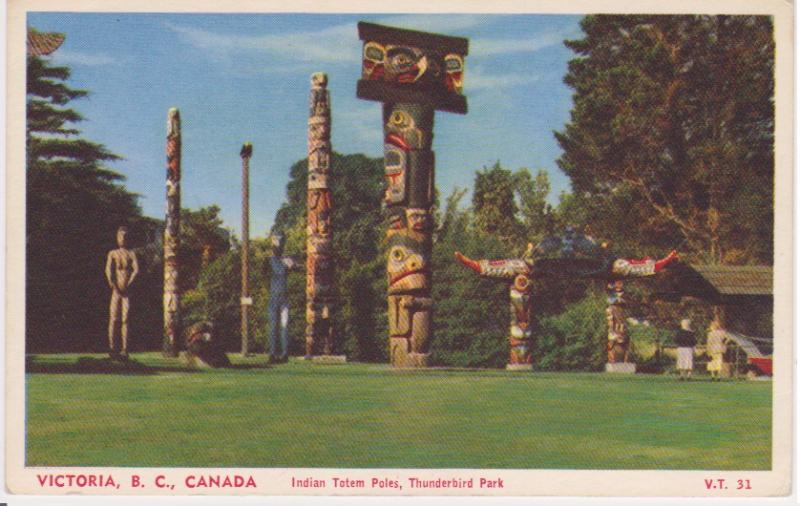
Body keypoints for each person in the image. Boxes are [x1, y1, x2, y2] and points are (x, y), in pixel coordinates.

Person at [105, 226, 138, 360]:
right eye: (120, 236)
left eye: (125, 236)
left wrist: (129, 283)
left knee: (126, 318)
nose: (122, 239)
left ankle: (125, 349)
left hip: (127, 291)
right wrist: (113, 284)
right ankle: (112, 347)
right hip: (116, 290)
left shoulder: (131, 254)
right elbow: (108, 270)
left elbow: (136, 270)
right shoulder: (112, 253)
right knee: (113, 318)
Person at [267, 235, 297, 364]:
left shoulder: (286, 259)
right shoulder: (271, 260)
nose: (277, 249)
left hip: (284, 296)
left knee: (285, 326)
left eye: (278, 247)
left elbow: (295, 267)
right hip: (274, 297)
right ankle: (273, 353)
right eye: (275, 247)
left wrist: (293, 263)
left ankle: (284, 353)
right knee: (274, 326)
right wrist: (288, 264)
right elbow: (274, 271)